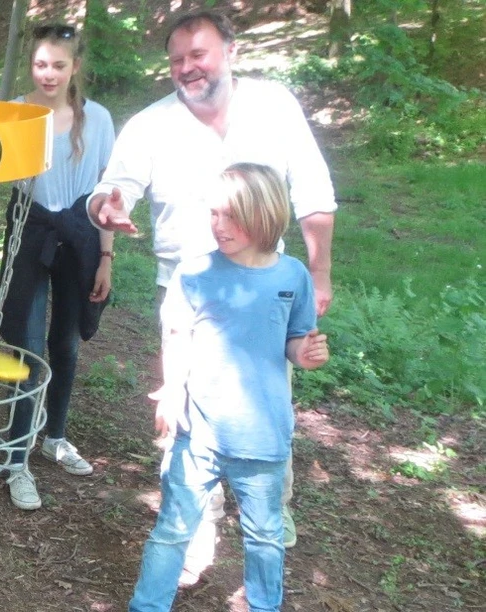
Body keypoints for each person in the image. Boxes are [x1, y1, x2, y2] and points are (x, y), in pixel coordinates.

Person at [88, 10, 337, 578]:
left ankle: (271, 502)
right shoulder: (152, 124)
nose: (186, 68)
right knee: (184, 401)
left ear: (230, 49)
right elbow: (114, 185)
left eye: (197, 54)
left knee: (268, 397)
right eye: (176, 59)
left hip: (265, 286)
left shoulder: (274, 106)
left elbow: (314, 189)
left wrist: (318, 274)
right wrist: (107, 205)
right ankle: (195, 525)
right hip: (189, 292)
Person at [128, 163, 330, 611]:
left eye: (231, 216)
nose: (219, 225)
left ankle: (263, 605)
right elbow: (178, 336)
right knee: (172, 531)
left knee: (264, 537)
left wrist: (306, 353)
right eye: (214, 214)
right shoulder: (195, 272)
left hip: (263, 436)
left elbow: (295, 340)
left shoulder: (292, 275)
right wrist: (173, 388)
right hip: (197, 432)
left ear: (264, 214)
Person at [0, 23, 117, 511]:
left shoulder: (100, 119)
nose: (48, 74)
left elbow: (108, 192)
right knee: (27, 347)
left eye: (59, 65)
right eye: (40, 64)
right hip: (29, 230)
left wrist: (106, 255)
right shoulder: (15, 114)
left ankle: (56, 436)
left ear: (75, 68)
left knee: (64, 343)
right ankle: (15, 457)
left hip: (81, 234)